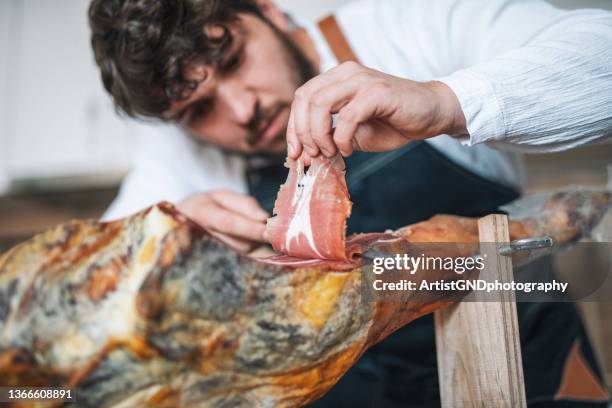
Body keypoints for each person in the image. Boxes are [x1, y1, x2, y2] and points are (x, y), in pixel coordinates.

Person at [88, 0, 610, 405]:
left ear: (268, 11)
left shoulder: (408, 24)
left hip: (528, 362)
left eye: (233, 59)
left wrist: (445, 102)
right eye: (199, 110)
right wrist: (160, 248)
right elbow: (91, 297)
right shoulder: (179, 155)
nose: (242, 109)